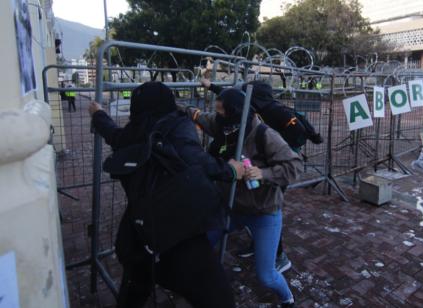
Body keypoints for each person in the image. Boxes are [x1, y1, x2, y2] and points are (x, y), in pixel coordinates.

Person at [88, 82, 242, 308]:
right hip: (179, 231)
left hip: (138, 232)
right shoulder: (178, 125)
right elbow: (196, 159)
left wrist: (98, 114)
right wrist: (230, 170)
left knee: (135, 287)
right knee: (219, 299)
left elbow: (112, 133)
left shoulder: (132, 133)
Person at [183, 87, 303, 307]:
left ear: (235, 113)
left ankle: (287, 299)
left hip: (263, 213)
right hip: (230, 209)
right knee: (199, 246)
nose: (217, 115)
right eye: (216, 111)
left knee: (267, 275)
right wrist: (175, 108)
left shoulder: (264, 134)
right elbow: (199, 116)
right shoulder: (223, 125)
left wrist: (264, 173)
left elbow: (295, 166)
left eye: (221, 112)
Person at [200, 79, 295, 273]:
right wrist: (210, 87)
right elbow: (223, 103)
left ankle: (278, 255)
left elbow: (294, 158)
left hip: (270, 175)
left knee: (267, 219)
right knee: (246, 221)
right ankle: (259, 245)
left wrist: (266, 171)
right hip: (240, 197)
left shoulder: (271, 117)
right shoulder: (238, 115)